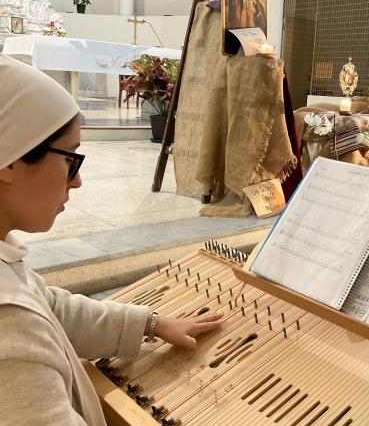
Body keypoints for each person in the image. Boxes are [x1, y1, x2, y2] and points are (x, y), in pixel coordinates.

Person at [0, 56, 223, 425]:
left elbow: (49, 306)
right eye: (70, 159)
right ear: (9, 162)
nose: (77, 181)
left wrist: (151, 324)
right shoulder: (7, 323)